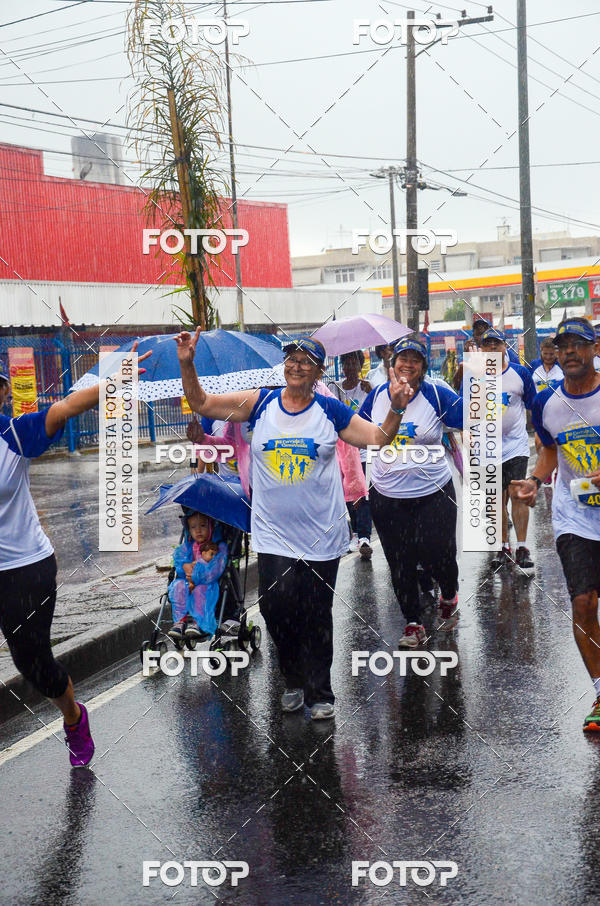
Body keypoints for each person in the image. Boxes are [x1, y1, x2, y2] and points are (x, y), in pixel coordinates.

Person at [175, 330, 413, 720]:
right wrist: (187, 363)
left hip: (321, 534)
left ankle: (320, 692)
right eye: (291, 359)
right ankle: (292, 676)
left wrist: (397, 408)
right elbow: (202, 402)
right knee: (275, 605)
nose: (296, 366)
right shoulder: (261, 403)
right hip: (272, 533)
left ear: (318, 372)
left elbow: (377, 438)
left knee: (317, 613)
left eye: (305, 361)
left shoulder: (330, 411)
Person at [0, 343, 150, 767]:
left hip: (24, 569)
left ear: (4, 394)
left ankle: (73, 716)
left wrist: (114, 382)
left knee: (33, 664)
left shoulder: (15, 435)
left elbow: (66, 407)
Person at [512, 317, 600, 732]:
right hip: (575, 517)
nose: (569, 352)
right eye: (563, 346)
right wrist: (534, 479)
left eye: (578, 344)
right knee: (583, 603)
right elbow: (549, 450)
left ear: (594, 349)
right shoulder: (546, 402)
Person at [359, 336, 463, 648]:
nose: (408, 364)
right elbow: (358, 432)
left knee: (439, 555)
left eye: (415, 360)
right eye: (402, 359)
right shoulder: (377, 396)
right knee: (400, 562)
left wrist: (477, 378)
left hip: (434, 492)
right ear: (392, 364)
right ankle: (413, 624)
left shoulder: (437, 394)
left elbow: (471, 417)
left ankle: (449, 593)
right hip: (387, 495)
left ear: (423, 367)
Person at [479, 328, 537, 574]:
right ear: (482, 349)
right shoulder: (474, 376)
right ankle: (503, 547)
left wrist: (540, 433)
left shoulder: (520, 373)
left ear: (505, 346)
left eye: (497, 343)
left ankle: (522, 547)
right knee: (495, 499)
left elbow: (533, 404)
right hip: (487, 448)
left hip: (516, 445)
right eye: (488, 344)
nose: (492, 348)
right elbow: (465, 411)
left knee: (517, 492)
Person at [328, 350, 373, 559]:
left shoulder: (367, 388)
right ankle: (355, 532)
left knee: (362, 493)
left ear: (360, 365)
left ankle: (364, 536)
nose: (349, 367)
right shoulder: (333, 388)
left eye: (353, 363)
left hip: (362, 450)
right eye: (346, 363)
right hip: (341, 451)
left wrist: (371, 391)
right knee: (347, 493)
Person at [168, 511, 228, 641]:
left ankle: (199, 623)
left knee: (200, 590)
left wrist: (196, 570)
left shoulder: (217, 548)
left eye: (203, 526)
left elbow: (214, 571)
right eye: (193, 527)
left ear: (211, 527)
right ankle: (179, 622)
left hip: (206, 583)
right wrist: (185, 567)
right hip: (188, 580)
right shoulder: (188, 547)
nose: (198, 530)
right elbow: (180, 563)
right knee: (178, 586)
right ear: (189, 530)